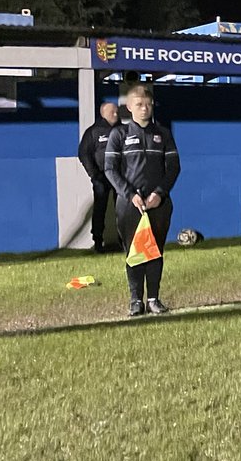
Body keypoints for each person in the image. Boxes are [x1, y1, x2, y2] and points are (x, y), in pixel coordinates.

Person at [104, 83, 180, 316]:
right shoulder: (119, 134)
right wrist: (130, 195)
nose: (144, 108)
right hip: (129, 205)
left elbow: (174, 168)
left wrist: (159, 193)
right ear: (129, 106)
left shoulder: (163, 134)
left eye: (148, 104)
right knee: (134, 252)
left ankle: (154, 299)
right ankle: (136, 300)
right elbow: (110, 169)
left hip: (158, 204)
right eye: (139, 104)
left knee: (155, 251)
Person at [77, 101, 119, 251]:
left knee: (122, 208)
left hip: (120, 177)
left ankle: (124, 240)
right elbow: (84, 153)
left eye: (116, 111)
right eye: (112, 112)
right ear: (103, 113)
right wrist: (94, 174)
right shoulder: (94, 131)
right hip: (101, 176)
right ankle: (98, 241)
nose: (115, 114)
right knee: (100, 209)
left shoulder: (123, 130)